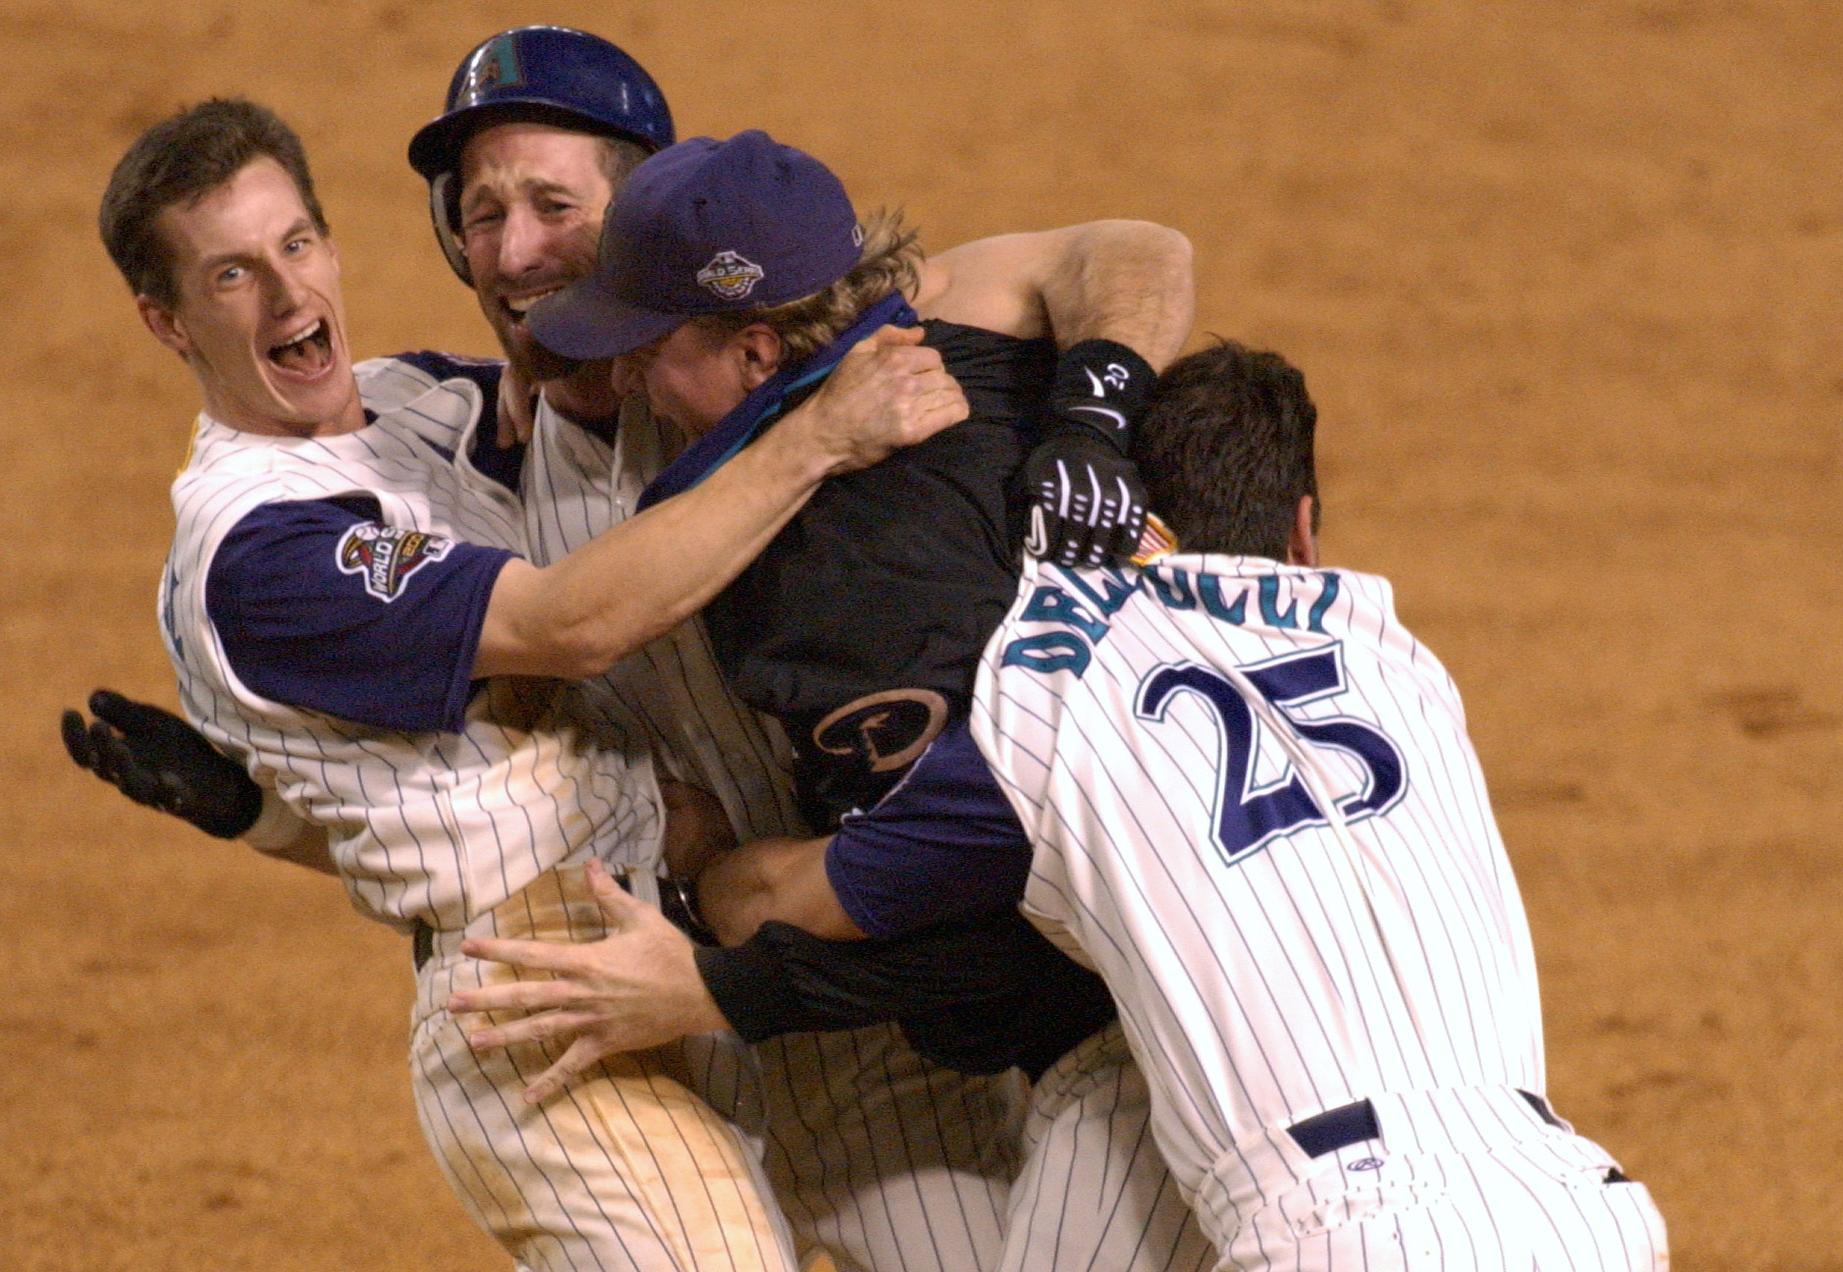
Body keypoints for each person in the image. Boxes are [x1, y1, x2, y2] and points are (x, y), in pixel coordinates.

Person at [73, 26, 1204, 1271]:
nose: (514, 251)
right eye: (481, 213)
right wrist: (819, 438)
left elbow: (1123, 251)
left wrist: (1093, 419)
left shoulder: (479, 405)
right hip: (581, 979)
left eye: (553, 207)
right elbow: (536, 682)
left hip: (839, 986)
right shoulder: (441, 482)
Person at [450, 341, 1673, 1270]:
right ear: (1303, 529)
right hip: (1583, 1207)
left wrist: (706, 887)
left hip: (1339, 1230)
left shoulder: (1061, 701)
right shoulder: (1400, 660)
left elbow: (787, 895)